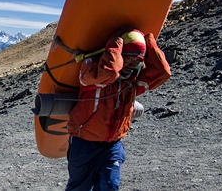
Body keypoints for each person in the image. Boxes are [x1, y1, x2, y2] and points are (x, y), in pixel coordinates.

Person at [66, 28, 171, 191]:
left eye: (138, 61)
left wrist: (149, 41)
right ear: (120, 54)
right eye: (130, 58)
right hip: (84, 143)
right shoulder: (91, 70)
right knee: (79, 188)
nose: (133, 64)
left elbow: (163, 72)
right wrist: (116, 42)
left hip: (112, 145)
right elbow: (110, 71)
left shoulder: (133, 81)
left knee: (110, 186)